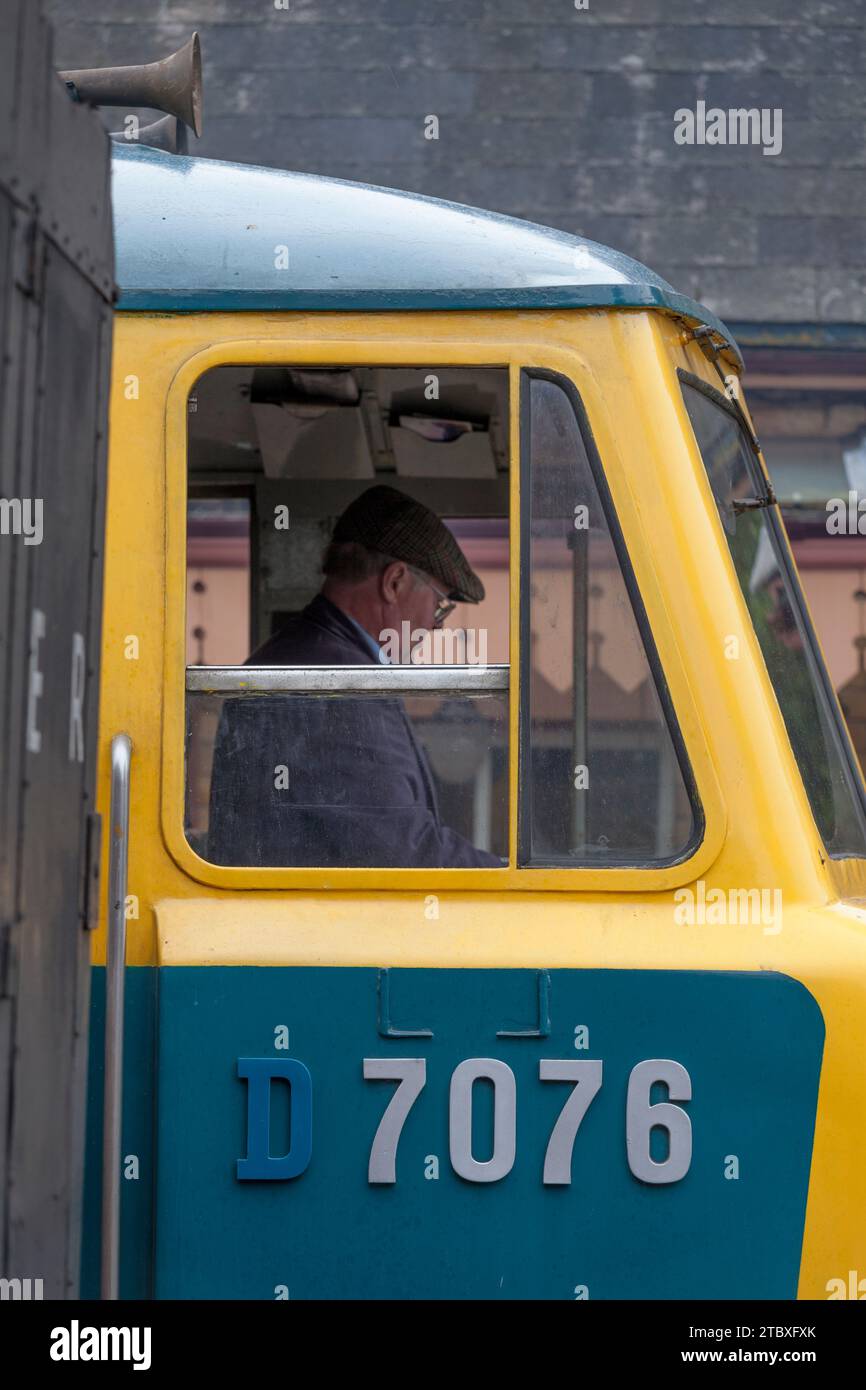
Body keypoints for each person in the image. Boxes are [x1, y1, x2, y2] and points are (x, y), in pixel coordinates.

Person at [207, 485, 501, 868]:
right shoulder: (338, 687)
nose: (435, 625)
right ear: (394, 582)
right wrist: (511, 878)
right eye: (439, 605)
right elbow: (403, 852)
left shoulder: (315, 656)